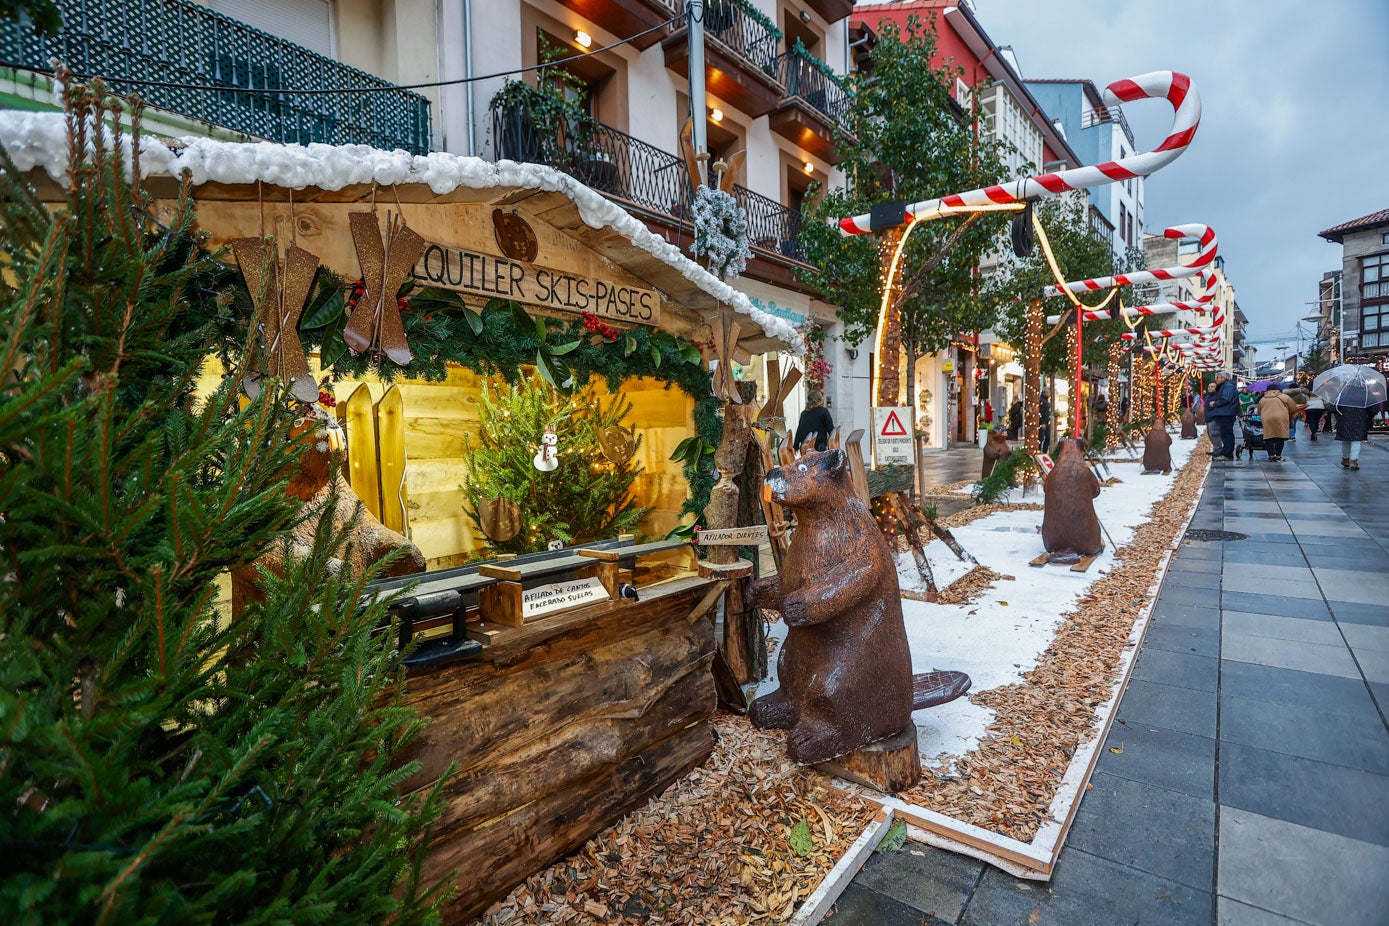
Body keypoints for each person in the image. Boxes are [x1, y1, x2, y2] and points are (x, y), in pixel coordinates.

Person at [1256, 386, 1299, 462]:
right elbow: (1294, 408)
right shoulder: (1284, 397)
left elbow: (1258, 412)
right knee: (1280, 436)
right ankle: (1278, 456)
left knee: (1268, 436)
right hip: (1281, 418)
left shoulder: (1262, 399)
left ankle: (1271, 455)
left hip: (1267, 418)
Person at [1206, 372, 1239, 462]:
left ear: (1224, 378)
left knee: (1226, 434)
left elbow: (1226, 399)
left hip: (1227, 413)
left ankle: (1227, 454)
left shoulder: (1227, 387)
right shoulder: (1226, 386)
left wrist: (1215, 403)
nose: (1216, 379)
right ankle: (1225, 452)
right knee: (1225, 434)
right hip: (1226, 412)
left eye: (1218, 377)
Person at [1333, 396, 1369, 471]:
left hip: (1344, 419)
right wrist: (1367, 415)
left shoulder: (1343, 394)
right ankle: (1353, 461)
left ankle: (1345, 459)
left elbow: (1334, 408)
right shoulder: (1365, 394)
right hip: (1359, 418)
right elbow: (1374, 408)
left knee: (1345, 439)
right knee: (1357, 439)